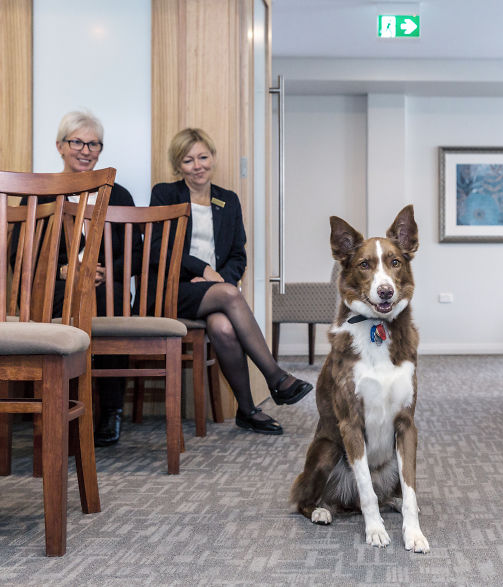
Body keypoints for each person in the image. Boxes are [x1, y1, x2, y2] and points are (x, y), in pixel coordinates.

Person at [150, 128, 312, 435]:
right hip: (172, 290)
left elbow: (238, 254)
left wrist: (218, 279)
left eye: (202, 157)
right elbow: (159, 248)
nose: (197, 165)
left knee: (223, 327)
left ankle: (247, 409)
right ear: (178, 166)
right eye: (188, 160)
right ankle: (276, 376)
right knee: (229, 295)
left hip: (214, 290)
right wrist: (204, 270)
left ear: (212, 158)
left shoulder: (228, 200)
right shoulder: (164, 194)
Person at [54, 110, 139, 446]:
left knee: (112, 300)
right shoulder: (41, 192)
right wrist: (62, 269)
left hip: (107, 287)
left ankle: (111, 411)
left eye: (94, 144)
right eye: (78, 142)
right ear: (60, 146)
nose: (86, 150)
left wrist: (107, 270)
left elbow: (135, 251)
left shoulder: (120, 196)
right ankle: (59, 406)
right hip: (59, 288)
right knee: (75, 299)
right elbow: (20, 252)